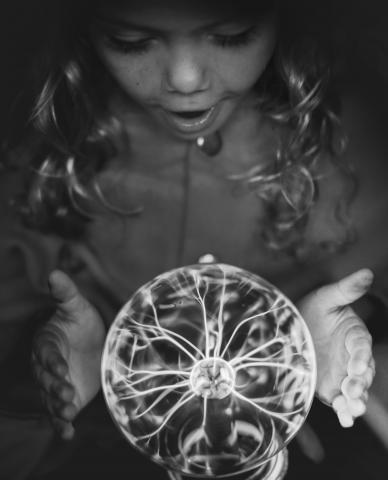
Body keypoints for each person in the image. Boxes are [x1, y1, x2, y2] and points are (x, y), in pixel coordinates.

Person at [0, 0, 384, 477]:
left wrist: (341, 349)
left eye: (231, 35)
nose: (184, 78)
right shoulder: (36, 159)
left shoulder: (359, 148)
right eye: (131, 41)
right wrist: (43, 372)